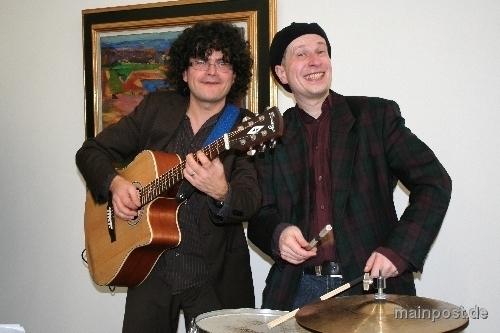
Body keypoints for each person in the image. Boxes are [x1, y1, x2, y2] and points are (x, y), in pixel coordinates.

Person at [248, 22, 452, 310]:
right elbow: (258, 214)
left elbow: (434, 182)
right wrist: (278, 233)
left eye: (321, 51)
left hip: (371, 287)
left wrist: (399, 251)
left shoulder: (376, 117)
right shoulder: (271, 136)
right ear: (281, 73)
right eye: (301, 54)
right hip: (297, 290)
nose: (315, 60)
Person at [76, 22, 261, 332]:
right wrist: (115, 183)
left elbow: (250, 198)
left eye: (223, 62)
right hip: (149, 266)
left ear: (234, 74)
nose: (211, 70)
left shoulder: (245, 128)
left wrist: (222, 192)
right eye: (201, 60)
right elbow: (91, 152)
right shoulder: (157, 109)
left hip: (213, 275)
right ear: (185, 72)